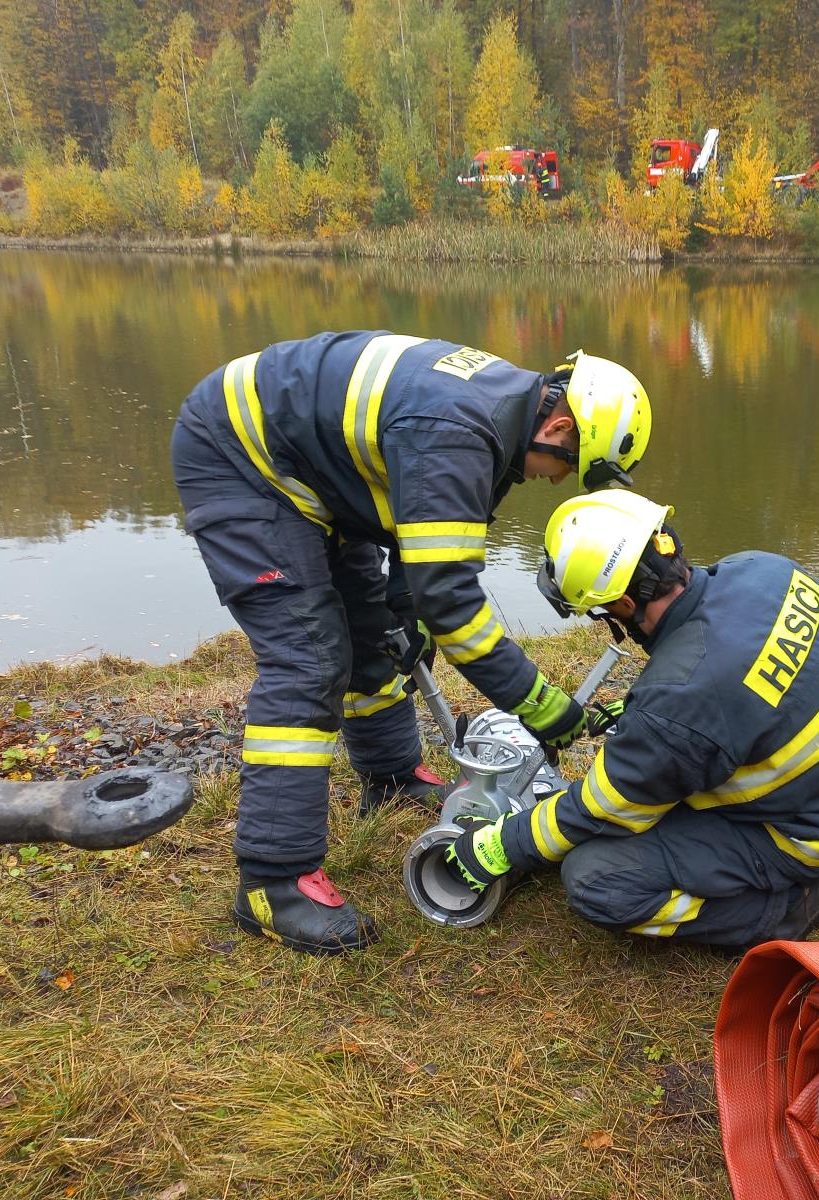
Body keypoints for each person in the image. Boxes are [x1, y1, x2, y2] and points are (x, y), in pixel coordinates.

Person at [170, 335, 652, 954]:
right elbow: (452, 604)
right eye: (565, 467)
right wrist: (539, 704)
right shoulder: (458, 430)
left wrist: (405, 607)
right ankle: (272, 882)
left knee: (379, 633)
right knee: (308, 659)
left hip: (318, 469)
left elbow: (423, 533)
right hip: (243, 459)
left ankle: (391, 776)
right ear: (559, 425)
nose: (553, 480)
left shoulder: (503, 418)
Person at [445, 490, 819, 952]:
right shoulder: (767, 568)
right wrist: (653, 722)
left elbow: (604, 808)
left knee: (596, 880)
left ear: (621, 605)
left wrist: (503, 845)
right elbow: (757, 694)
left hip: (805, 836)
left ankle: (785, 910)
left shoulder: (680, 700)